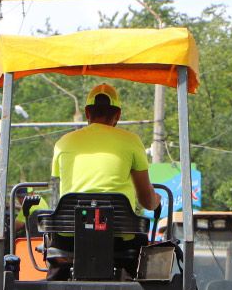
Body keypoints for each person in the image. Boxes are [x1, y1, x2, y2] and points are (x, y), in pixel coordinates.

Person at [52, 84, 160, 215]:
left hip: (69, 231)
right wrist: (156, 200)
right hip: (120, 231)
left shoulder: (62, 143)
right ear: (118, 115)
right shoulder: (132, 141)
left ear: (87, 113)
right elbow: (147, 201)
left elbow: (58, 180)